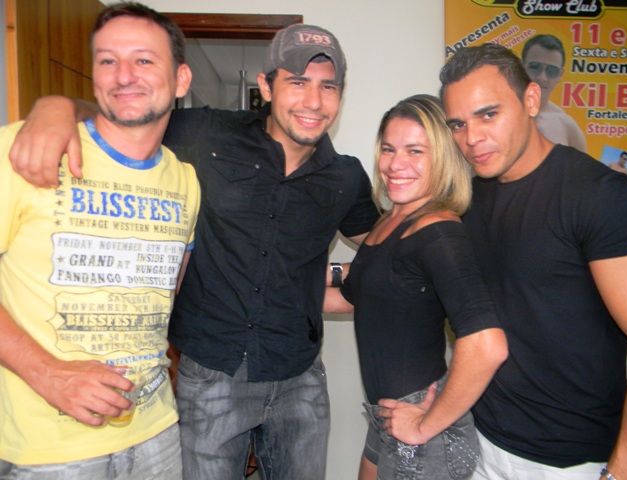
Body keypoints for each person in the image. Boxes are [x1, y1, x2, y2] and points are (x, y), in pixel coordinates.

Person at [8, 23, 380, 480]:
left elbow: (387, 244)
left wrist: (423, 218)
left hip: (299, 376)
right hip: (211, 375)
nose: (313, 101)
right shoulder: (207, 133)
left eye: (328, 86)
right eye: (298, 82)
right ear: (266, 87)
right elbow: (129, 116)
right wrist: (58, 107)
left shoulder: (345, 177)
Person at [0, 3, 199, 479]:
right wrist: (47, 371)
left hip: (157, 435)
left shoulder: (186, 181)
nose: (124, 75)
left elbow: (165, 296)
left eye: (144, 59)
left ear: (181, 79)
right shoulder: (26, 150)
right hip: (50, 452)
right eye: (108, 60)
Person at [439, 43, 627, 480]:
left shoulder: (601, 196)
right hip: (481, 442)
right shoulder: (468, 198)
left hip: (570, 462)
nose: (472, 138)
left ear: (531, 100)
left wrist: (622, 472)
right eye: (458, 124)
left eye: (488, 115)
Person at [323, 94, 508, 480]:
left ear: (443, 158)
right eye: (388, 149)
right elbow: (357, 298)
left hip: (422, 430)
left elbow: (487, 345)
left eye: (415, 151)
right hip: (385, 415)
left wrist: (425, 425)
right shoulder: (392, 220)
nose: (395, 164)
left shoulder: (439, 231)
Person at [521, 34, 587, 152]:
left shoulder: (567, 126)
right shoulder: (498, 114)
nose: (542, 77)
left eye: (552, 71)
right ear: (521, 67)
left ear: (560, 75)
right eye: (535, 67)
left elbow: (584, 164)